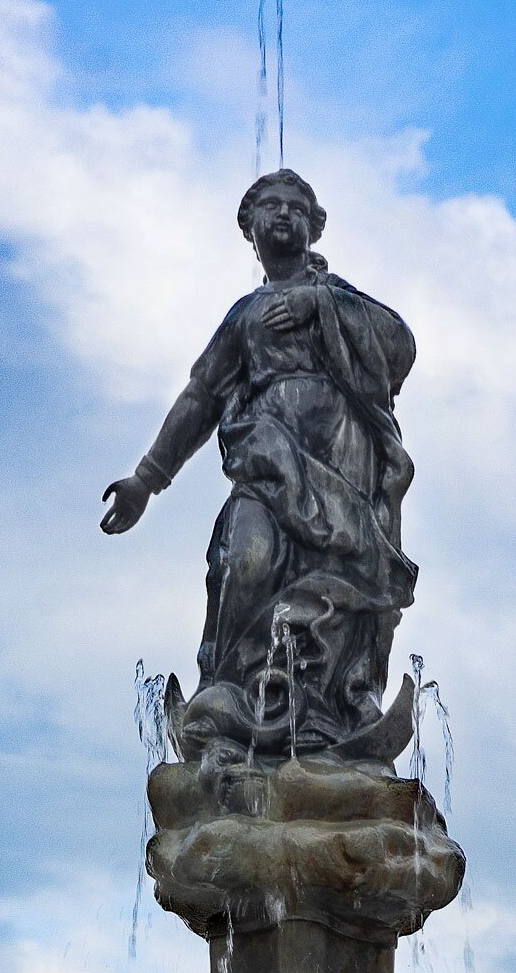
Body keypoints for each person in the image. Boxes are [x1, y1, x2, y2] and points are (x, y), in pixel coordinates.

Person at [101, 170, 417, 762]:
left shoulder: (345, 299)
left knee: (341, 578)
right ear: (248, 230)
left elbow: (400, 350)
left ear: (313, 225)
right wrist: (146, 480)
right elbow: (201, 395)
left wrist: (319, 303)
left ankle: (341, 702)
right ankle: (231, 697)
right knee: (245, 557)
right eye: (268, 206)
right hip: (264, 456)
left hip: (341, 458)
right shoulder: (244, 316)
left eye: (295, 207)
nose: (281, 215)